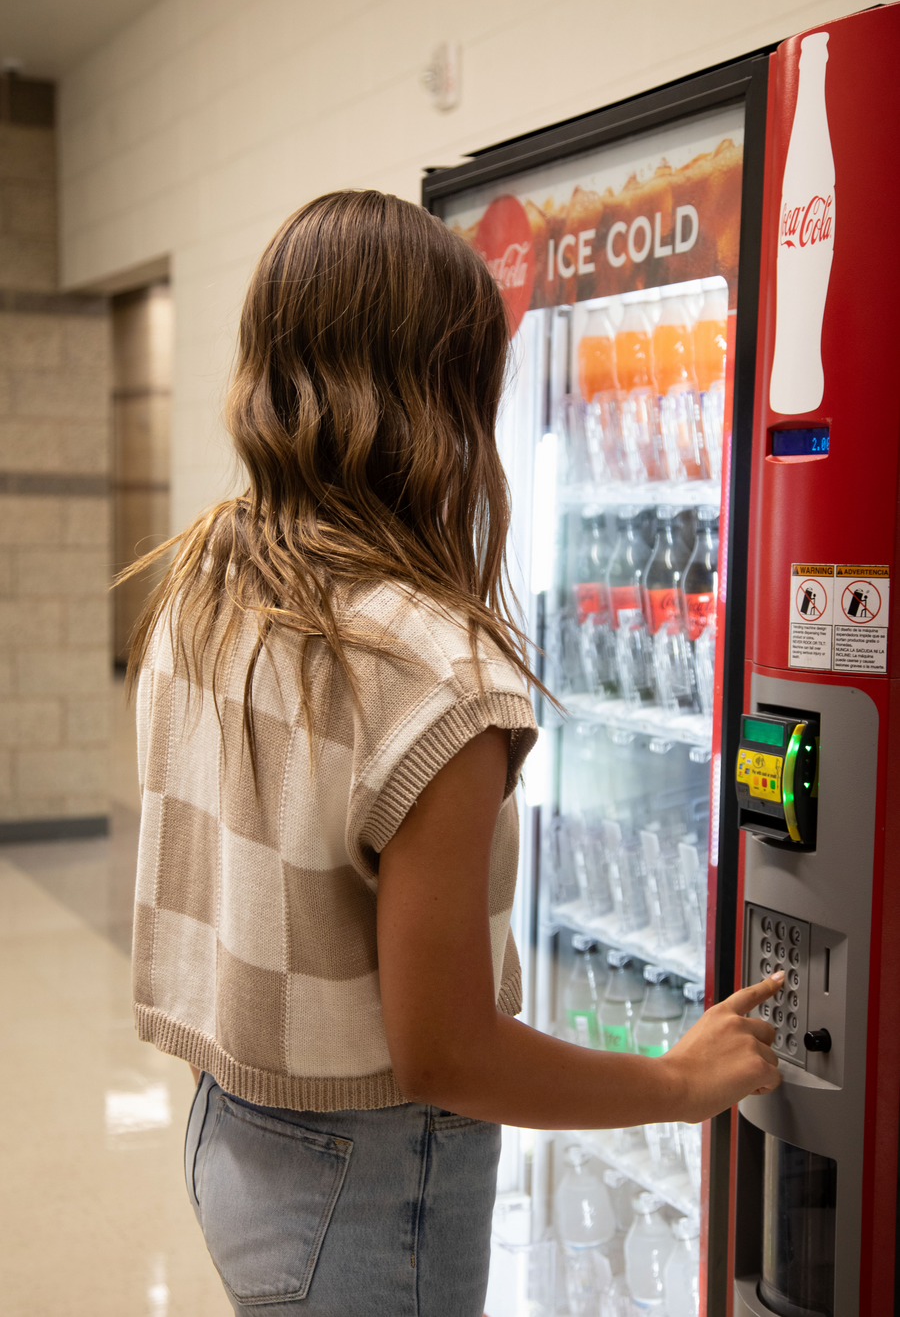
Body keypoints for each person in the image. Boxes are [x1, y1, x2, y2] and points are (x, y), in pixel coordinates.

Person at [123, 189, 782, 1317]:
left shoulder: (207, 581)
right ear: (444, 398)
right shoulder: (435, 672)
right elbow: (444, 1054)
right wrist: (677, 1083)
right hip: (370, 1192)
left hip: (231, 1138)